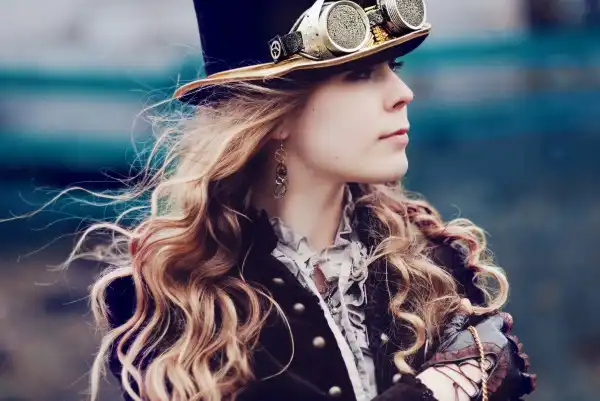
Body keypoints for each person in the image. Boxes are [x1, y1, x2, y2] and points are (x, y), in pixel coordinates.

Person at [81, 0, 537, 400]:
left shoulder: (431, 261)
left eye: (392, 68)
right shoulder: (176, 300)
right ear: (275, 114)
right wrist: (441, 386)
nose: (403, 94)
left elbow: (501, 360)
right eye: (360, 74)